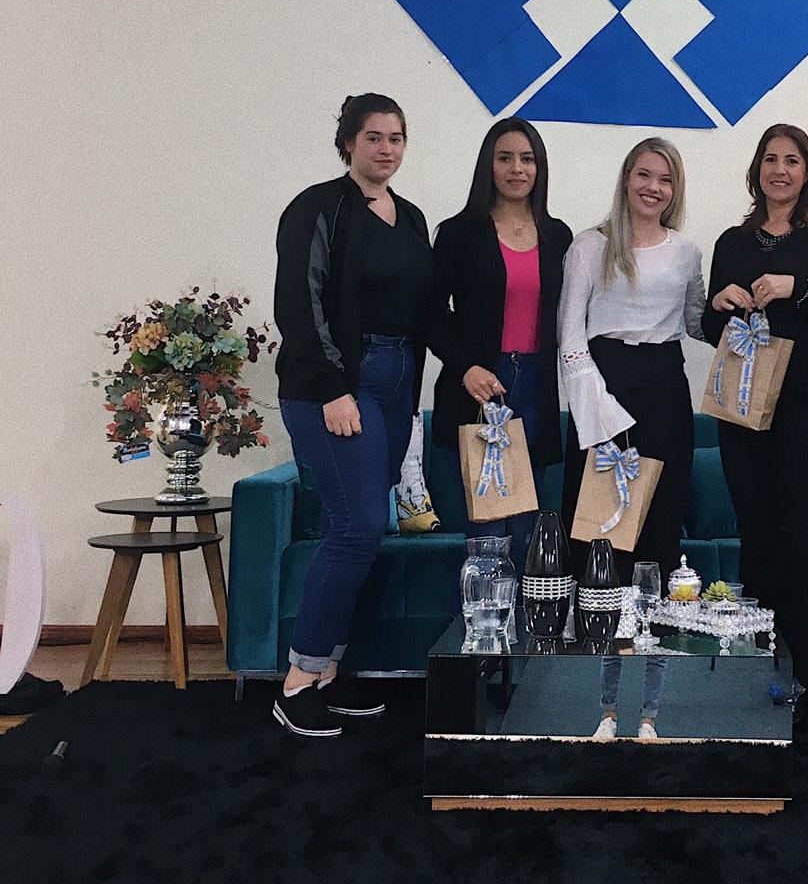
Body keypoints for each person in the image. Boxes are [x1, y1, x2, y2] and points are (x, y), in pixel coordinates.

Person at [271, 94, 433, 737]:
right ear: (347, 143)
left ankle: (326, 676)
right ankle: (296, 682)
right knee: (355, 528)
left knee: (365, 531)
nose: (386, 149)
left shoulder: (411, 217)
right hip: (335, 384)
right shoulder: (318, 207)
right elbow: (299, 304)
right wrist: (333, 389)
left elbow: (423, 310)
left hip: (396, 383)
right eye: (373, 138)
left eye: (396, 138)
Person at [703, 124, 808, 718]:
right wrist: (717, 306)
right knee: (757, 537)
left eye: (791, 160)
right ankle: (757, 663)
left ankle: (803, 676)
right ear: (757, 172)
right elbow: (711, 329)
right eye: (770, 160)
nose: (780, 170)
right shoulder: (731, 241)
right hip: (744, 410)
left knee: (803, 538)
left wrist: (798, 288)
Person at [425, 119, 572, 569]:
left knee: (527, 533)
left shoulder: (558, 236)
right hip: (478, 390)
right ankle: (480, 617)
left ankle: (527, 617)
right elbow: (429, 314)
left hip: (535, 390)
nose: (516, 169)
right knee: (487, 536)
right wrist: (465, 367)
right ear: (488, 165)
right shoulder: (460, 232)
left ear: (540, 167)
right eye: (504, 158)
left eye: (527, 159)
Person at [558, 137, 706, 584]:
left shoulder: (687, 252)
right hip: (604, 382)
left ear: (676, 190)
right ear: (626, 179)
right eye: (644, 175)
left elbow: (697, 322)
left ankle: (653, 618)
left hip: (666, 387)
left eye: (665, 180)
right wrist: (599, 410)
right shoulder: (589, 246)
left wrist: (743, 312)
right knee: (597, 520)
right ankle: (594, 617)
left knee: (661, 511)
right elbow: (570, 337)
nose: (653, 188)